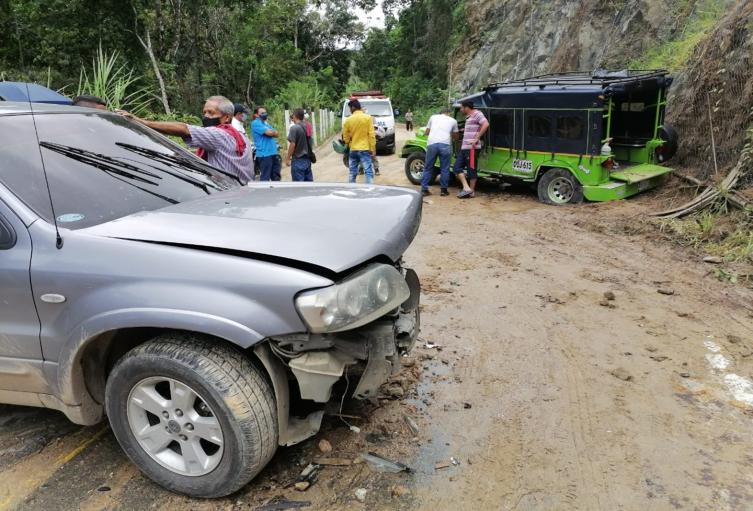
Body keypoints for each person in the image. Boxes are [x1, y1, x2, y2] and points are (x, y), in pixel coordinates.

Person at [117, 95, 254, 184]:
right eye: (204, 112)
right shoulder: (240, 135)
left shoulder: (219, 134)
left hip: (227, 194)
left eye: (211, 113)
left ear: (226, 117)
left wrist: (141, 122)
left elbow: (184, 129)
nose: (205, 116)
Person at [455, 100, 489, 198]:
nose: (461, 110)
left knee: (471, 169)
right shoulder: (469, 117)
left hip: (472, 148)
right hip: (464, 147)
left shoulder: (477, 114)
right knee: (457, 168)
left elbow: (486, 124)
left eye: (461, 107)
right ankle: (467, 188)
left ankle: (472, 191)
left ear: (467, 107)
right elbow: (473, 128)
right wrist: (463, 130)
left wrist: (477, 138)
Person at [421, 108, 459, 196]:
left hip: (432, 144)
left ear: (440, 113)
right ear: (449, 113)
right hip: (445, 145)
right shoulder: (453, 120)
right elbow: (456, 137)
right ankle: (443, 191)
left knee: (428, 167)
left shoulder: (433, 117)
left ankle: (424, 190)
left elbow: (427, 132)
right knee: (445, 168)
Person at [342, 99, 376, 184]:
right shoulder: (368, 118)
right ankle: (369, 191)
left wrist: (348, 144)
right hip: (364, 149)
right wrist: (372, 148)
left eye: (350, 108)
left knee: (352, 173)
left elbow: (345, 137)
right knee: (368, 172)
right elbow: (371, 135)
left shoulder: (348, 120)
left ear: (353, 107)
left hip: (353, 149)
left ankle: (352, 191)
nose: (350, 110)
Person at [251, 106, 282, 181]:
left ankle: (276, 192)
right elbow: (269, 133)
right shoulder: (255, 123)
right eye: (262, 113)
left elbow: (277, 134)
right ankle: (264, 193)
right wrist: (271, 132)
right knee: (265, 178)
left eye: (265, 112)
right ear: (256, 115)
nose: (265, 114)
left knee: (276, 176)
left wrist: (271, 132)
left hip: (273, 153)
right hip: (264, 154)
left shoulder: (266, 124)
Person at [285, 108, 313, 182]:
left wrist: (288, 158)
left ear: (295, 116)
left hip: (298, 160)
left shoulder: (294, 128)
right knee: (308, 185)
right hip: (307, 160)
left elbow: (292, 144)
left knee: (298, 187)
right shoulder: (308, 126)